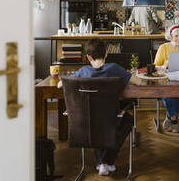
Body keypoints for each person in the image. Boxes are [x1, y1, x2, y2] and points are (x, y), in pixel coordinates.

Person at [59, 39, 141, 176]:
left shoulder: (83, 71)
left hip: (85, 119)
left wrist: (60, 83)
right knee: (127, 120)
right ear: (106, 54)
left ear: (88, 57)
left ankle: (102, 162)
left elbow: (63, 84)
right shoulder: (115, 69)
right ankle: (106, 161)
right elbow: (138, 81)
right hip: (110, 117)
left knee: (97, 125)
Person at [154, 25, 179, 133]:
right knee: (167, 96)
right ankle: (174, 120)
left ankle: (170, 116)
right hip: (167, 80)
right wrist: (164, 66)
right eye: (176, 36)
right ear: (170, 36)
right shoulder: (163, 47)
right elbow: (155, 66)